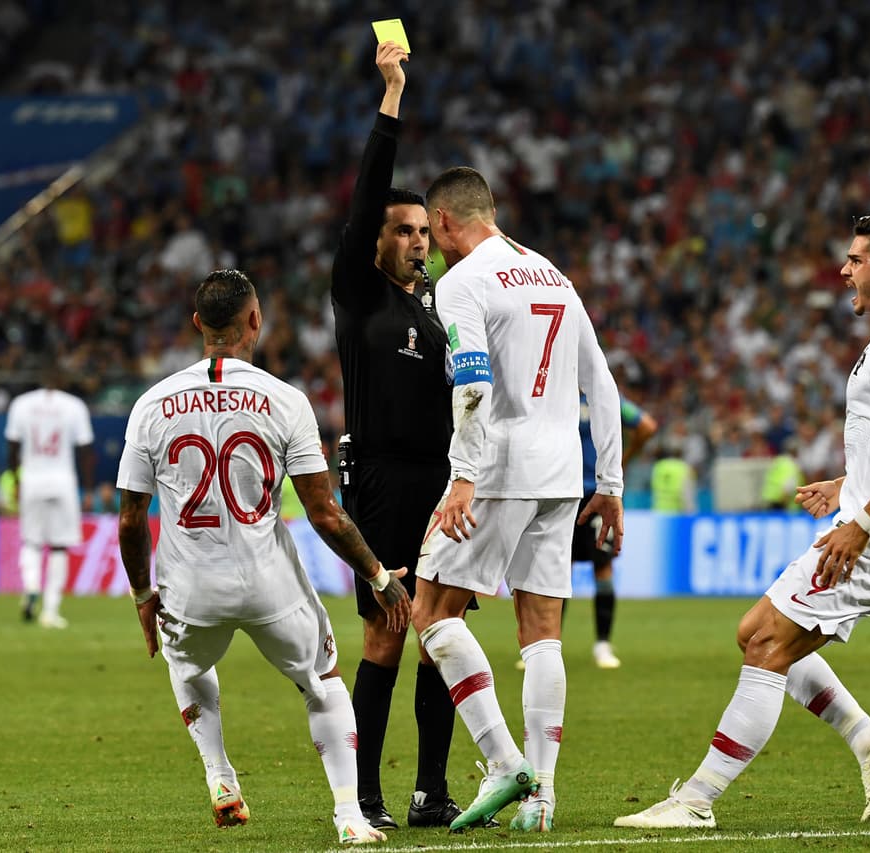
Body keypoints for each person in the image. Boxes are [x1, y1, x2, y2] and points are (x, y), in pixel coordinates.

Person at [617, 214, 870, 829]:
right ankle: (868, 741)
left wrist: (863, 524)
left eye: (855, 259)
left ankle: (696, 801)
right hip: (869, 524)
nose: (844, 270)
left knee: (769, 644)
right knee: (755, 633)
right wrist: (847, 486)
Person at [115, 269, 409, 845]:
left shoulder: (151, 404)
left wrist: (143, 596)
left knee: (188, 667)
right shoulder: (286, 401)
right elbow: (326, 513)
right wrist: (377, 575)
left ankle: (220, 776)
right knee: (322, 681)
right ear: (256, 321)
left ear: (198, 323)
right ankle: (350, 815)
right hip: (269, 583)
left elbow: (130, 520)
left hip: (190, 588)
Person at [411, 166, 625, 833]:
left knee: (432, 612)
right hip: (563, 474)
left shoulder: (462, 283)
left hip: (499, 466)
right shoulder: (552, 275)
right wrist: (610, 484)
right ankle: (543, 797)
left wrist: (464, 473)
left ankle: (504, 761)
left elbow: (470, 382)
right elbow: (603, 383)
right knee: (542, 632)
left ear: (444, 221)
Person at [330, 40, 468, 830]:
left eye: (424, 231)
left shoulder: (436, 307)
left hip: (442, 483)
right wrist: (392, 94)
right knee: (387, 635)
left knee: (440, 635)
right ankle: (364, 796)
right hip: (381, 482)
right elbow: (364, 198)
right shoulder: (359, 294)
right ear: (377, 239)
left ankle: (430, 792)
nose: (419, 241)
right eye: (405, 230)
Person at [5, 364, 94, 628]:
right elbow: (86, 450)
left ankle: (32, 585)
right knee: (59, 546)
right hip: (62, 480)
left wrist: (16, 479)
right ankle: (50, 611)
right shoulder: (74, 406)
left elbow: (12, 446)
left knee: (31, 542)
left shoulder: (21, 404)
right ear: (63, 381)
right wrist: (88, 489)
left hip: (32, 477)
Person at [573, 393, 656, 669]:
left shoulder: (602, 394)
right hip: (575, 491)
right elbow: (646, 425)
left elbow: (646, 426)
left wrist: (622, 462)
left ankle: (593, 643)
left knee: (583, 567)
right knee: (570, 568)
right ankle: (597, 647)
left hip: (583, 491)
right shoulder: (605, 394)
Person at [761, 436, 805, 511]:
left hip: (770, 500)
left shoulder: (779, 461)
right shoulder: (792, 465)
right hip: (784, 507)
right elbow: (788, 488)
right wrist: (784, 509)